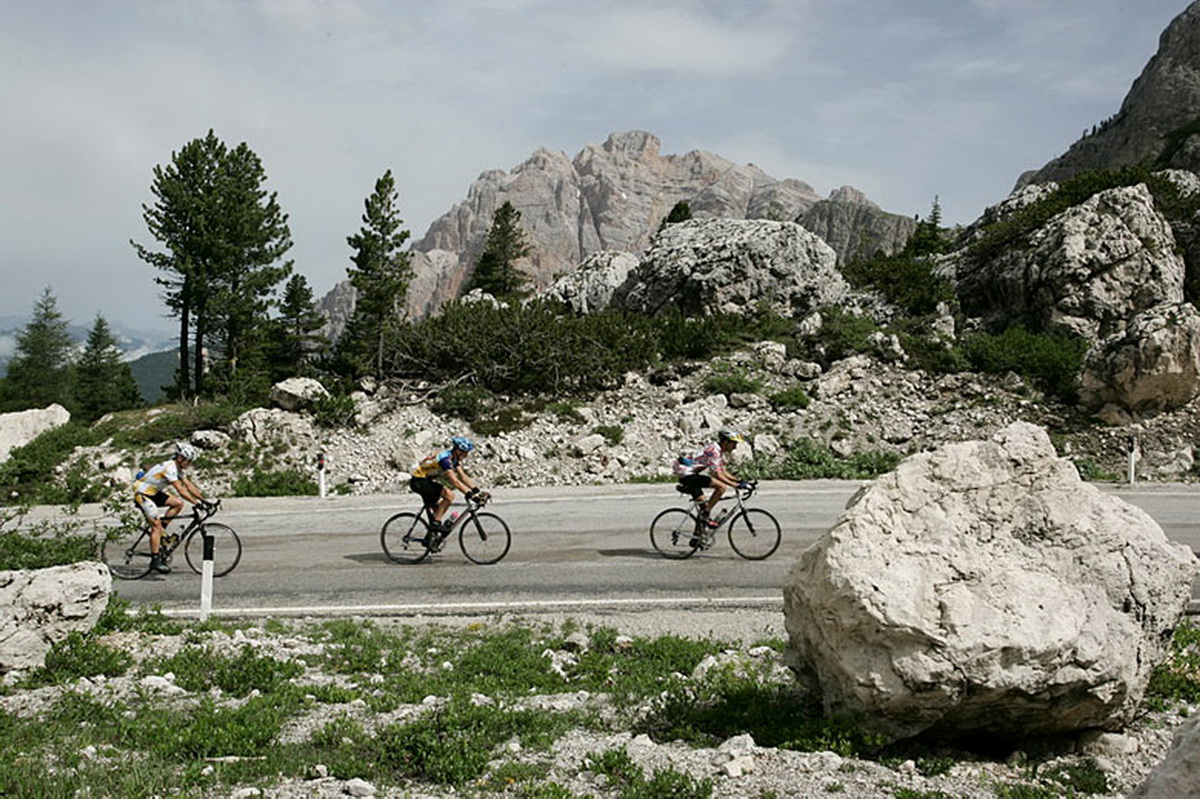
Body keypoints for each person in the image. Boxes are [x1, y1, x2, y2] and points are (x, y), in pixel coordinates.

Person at [131, 442, 207, 574]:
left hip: (153, 493)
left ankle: (162, 534)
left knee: (178, 504)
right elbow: (181, 491)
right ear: (180, 458)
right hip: (142, 494)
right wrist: (196, 504)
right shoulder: (170, 468)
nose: (189, 464)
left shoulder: (178, 469)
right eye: (188, 461)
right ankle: (154, 561)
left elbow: (189, 486)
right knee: (155, 526)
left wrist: (204, 500)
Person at [409, 435, 487, 534]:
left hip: (426, 480)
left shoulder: (454, 459)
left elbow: (463, 477)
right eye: (465, 453)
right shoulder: (445, 460)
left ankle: (432, 538)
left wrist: (478, 491)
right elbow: (454, 481)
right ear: (458, 451)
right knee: (449, 496)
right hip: (419, 481)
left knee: (439, 509)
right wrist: (469, 494)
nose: (466, 455)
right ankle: (436, 524)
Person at [674, 429, 748, 527]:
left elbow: (722, 471)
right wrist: (736, 485)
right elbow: (718, 475)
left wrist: (739, 481)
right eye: (734, 444)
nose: (735, 447)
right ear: (726, 442)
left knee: (703, 507)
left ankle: (697, 539)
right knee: (721, 487)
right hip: (686, 474)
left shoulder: (717, 449)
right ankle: (706, 514)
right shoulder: (714, 451)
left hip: (688, 473)